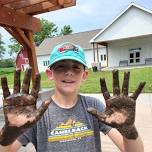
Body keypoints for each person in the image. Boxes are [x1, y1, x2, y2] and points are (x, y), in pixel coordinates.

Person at [0, 42, 145, 152]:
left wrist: (128, 129)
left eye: (76, 67)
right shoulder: (36, 113)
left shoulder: (94, 106)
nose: (69, 72)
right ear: (50, 74)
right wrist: (9, 132)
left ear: (84, 75)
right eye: (61, 66)